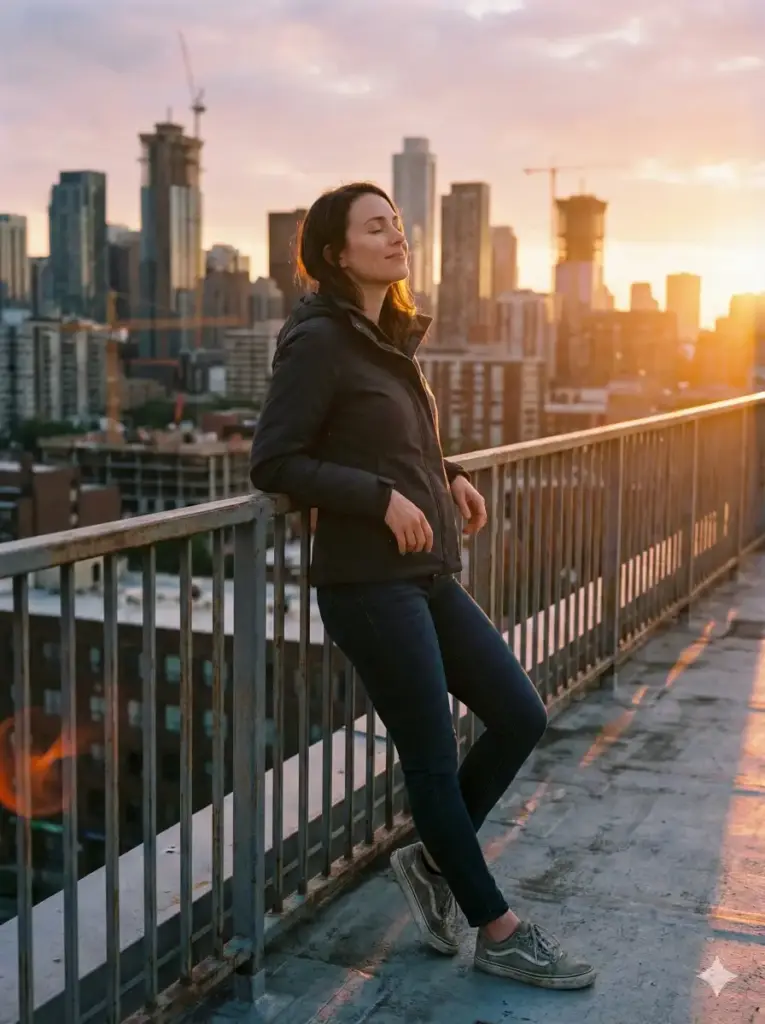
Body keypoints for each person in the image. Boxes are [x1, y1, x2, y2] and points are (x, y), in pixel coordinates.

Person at [250, 182, 596, 990]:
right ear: (336, 253)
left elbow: (387, 442)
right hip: (366, 584)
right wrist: (378, 500)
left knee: (518, 712)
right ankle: (500, 931)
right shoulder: (317, 340)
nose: (396, 235)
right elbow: (275, 460)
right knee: (432, 759)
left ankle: (437, 866)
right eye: (376, 227)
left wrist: (446, 476)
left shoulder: (386, 334)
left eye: (397, 223)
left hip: (424, 571)